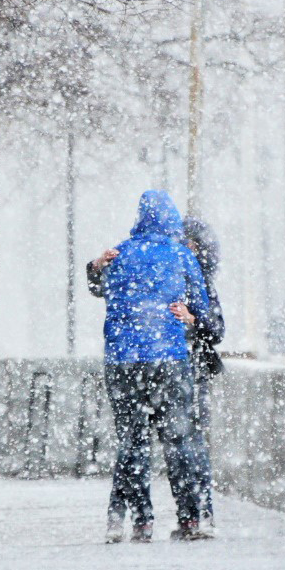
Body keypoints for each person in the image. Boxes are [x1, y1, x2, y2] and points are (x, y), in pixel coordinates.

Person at [86, 190, 210, 543]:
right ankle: (190, 518)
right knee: (178, 440)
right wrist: (187, 315)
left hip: (123, 360)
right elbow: (202, 307)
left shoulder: (118, 253)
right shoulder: (182, 255)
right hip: (169, 359)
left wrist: (95, 267)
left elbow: (97, 288)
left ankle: (141, 521)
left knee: (132, 441)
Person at [179, 216, 225, 529]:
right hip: (182, 371)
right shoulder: (186, 280)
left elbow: (217, 330)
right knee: (189, 443)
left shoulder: (202, 284)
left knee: (191, 442)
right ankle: (197, 514)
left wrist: (193, 321)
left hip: (191, 371)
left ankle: (199, 513)